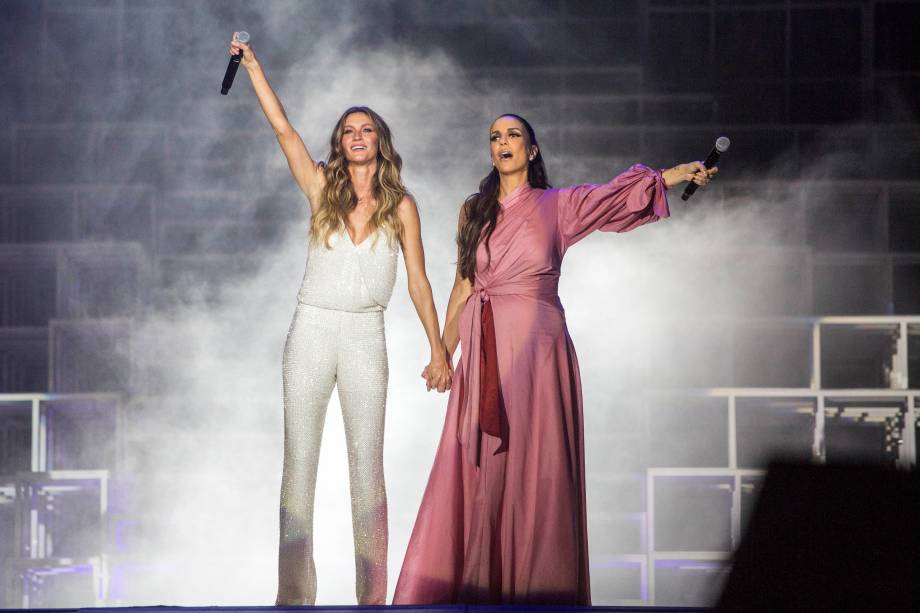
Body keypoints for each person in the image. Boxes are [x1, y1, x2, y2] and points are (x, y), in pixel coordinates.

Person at [394, 114, 717, 605]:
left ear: (533, 149)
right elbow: (464, 284)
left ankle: (537, 594)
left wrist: (677, 173)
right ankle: (477, 590)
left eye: (513, 135)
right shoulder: (473, 210)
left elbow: (615, 196)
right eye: (495, 137)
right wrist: (442, 351)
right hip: (484, 351)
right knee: (482, 470)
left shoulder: (557, 206)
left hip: (540, 350)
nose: (502, 143)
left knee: (537, 469)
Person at [228, 34, 452, 605]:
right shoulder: (320, 185)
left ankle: (372, 599)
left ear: (380, 141)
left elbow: (419, 281)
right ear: (339, 141)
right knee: (298, 463)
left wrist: (437, 349)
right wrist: (253, 66)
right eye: (348, 130)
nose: (356, 137)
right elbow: (284, 131)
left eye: (366, 129)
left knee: (366, 470)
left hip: (365, 333)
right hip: (311, 329)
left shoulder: (402, 205)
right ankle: (294, 597)